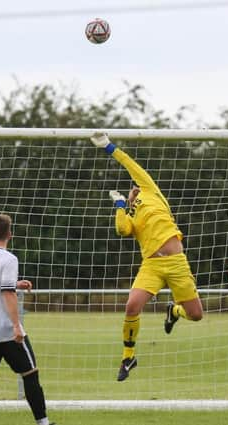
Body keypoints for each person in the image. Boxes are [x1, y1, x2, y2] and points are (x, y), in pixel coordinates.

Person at [90, 132, 203, 382]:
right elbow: (122, 230)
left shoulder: (150, 191)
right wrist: (120, 205)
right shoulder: (132, 216)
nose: (134, 188)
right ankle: (128, 357)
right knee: (131, 306)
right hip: (151, 265)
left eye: (134, 188)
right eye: (130, 191)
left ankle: (174, 311)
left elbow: (131, 164)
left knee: (196, 314)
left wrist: (109, 147)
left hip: (176, 263)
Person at [0, 214, 56, 425]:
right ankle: (43, 423)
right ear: (10, 234)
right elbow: (7, 294)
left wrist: (15, 284)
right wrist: (17, 325)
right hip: (6, 329)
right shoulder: (9, 259)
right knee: (30, 375)